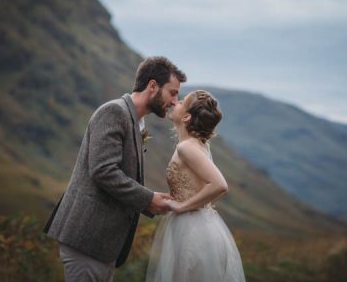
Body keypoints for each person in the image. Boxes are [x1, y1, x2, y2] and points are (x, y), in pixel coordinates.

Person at [43, 56, 187, 282]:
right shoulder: (114, 112)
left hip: (102, 244)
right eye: (173, 92)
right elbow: (103, 170)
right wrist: (148, 199)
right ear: (152, 86)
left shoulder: (136, 122)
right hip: (86, 238)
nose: (176, 101)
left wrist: (151, 199)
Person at [146, 90, 246, 282]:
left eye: (181, 102)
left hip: (193, 231)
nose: (175, 103)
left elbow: (219, 185)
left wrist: (182, 206)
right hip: (195, 225)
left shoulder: (187, 147)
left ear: (186, 116)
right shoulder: (196, 144)